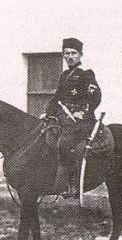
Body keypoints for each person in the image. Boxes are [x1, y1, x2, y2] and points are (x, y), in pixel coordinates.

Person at [41, 37, 102, 198]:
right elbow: (56, 99)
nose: (70, 56)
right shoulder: (64, 75)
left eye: (73, 53)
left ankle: (72, 185)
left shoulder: (86, 74)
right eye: (66, 53)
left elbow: (95, 96)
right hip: (65, 120)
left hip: (83, 121)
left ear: (80, 55)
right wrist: (47, 113)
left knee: (65, 143)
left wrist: (83, 112)